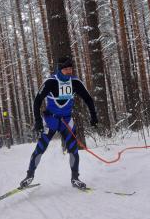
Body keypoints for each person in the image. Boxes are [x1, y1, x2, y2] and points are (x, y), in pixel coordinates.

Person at [20, 57, 98, 190]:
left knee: (74, 150)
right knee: (40, 148)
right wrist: (38, 121)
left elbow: (88, 99)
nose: (69, 71)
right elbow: (37, 101)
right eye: (66, 69)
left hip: (67, 121)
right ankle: (29, 176)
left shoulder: (75, 82)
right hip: (51, 120)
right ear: (59, 69)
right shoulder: (51, 82)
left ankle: (75, 178)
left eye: (70, 68)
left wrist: (94, 116)